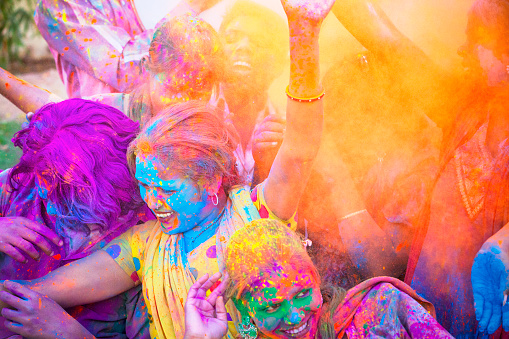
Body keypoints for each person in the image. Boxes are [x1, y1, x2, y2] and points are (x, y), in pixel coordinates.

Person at [0, 0, 333, 337]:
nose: (153, 201)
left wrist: (304, 34)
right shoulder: (145, 243)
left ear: (213, 179)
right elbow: (45, 289)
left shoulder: (253, 213)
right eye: (145, 186)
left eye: (168, 189)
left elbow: (301, 148)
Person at [301, 0, 509, 336]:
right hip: (427, 315)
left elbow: (381, 262)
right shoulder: (464, 110)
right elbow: (387, 40)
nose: (462, 48)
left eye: (476, 38)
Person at [0, 99, 153, 337]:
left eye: (67, 191)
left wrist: (69, 333)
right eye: (43, 180)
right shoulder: (18, 187)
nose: (45, 196)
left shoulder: (151, 240)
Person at [183, 218, 454, 338]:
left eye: (302, 293)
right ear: (246, 312)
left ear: (315, 276)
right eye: (272, 306)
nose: (294, 317)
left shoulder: (382, 307)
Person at [1, 14, 224, 126]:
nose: (184, 102)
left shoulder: (209, 122)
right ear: (146, 68)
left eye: (197, 92)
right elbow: (59, 111)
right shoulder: (107, 115)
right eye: (174, 87)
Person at [34, 0, 221, 98]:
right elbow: (124, 68)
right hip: (103, 140)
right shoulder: (57, 5)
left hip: (153, 133)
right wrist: (193, 5)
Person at [212, 0, 289, 184]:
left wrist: (267, 167)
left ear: (278, 64)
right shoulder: (193, 114)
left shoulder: (286, 129)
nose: (244, 47)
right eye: (232, 38)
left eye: (259, 42)